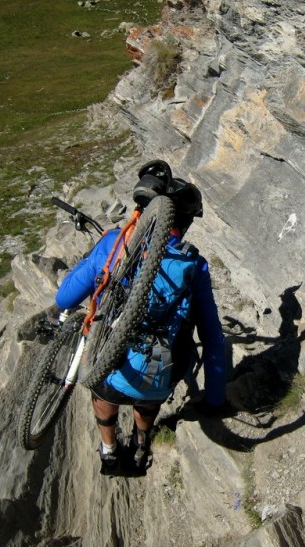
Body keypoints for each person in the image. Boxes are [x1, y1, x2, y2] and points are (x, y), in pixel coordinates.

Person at [54, 159, 227, 475]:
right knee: (152, 388)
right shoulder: (195, 265)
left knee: (103, 389)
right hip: (158, 373)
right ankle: (142, 442)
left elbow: (64, 298)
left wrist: (86, 268)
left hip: (107, 370)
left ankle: (109, 450)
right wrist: (214, 400)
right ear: (186, 223)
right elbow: (214, 340)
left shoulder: (114, 243)